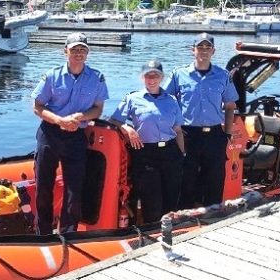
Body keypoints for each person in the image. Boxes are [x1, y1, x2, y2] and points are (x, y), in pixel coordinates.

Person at [31, 32, 109, 235]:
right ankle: (43, 233)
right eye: (74, 49)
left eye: (83, 49)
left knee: (74, 188)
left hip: (76, 136)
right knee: (43, 186)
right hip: (50, 134)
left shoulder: (96, 78)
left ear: (87, 53)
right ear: (65, 51)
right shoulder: (52, 76)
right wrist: (60, 120)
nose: (79, 53)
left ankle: (68, 233)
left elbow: (98, 109)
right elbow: (37, 107)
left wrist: (80, 117)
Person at [162, 33, 238, 209]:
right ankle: (183, 217)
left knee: (214, 178)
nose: (204, 51)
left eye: (207, 48)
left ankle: (213, 215)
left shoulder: (223, 75)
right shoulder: (178, 74)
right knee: (186, 177)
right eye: (200, 47)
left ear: (213, 51)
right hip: (188, 134)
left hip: (214, 135)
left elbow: (229, 105)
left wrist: (227, 133)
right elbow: (166, 102)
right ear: (193, 50)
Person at [110, 60, 185, 223]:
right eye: (148, 76)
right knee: (151, 200)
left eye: (156, 75)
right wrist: (127, 129)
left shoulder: (171, 100)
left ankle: (170, 232)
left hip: (171, 152)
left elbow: (178, 130)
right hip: (145, 153)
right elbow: (114, 120)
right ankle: (153, 234)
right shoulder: (132, 98)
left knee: (171, 197)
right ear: (142, 78)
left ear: (162, 77)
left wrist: (181, 154)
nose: (152, 79)